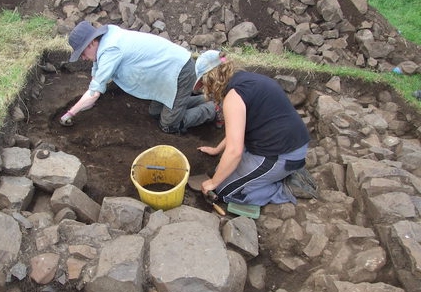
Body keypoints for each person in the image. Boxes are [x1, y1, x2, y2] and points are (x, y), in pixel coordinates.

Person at [194, 50, 318, 206]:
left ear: (210, 79)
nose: (206, 91)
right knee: (224, 168)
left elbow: (234, 151)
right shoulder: (245, 81)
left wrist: (213, 183)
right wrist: (217, 150)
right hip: (284, 142)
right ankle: (277, 173)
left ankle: (287, 188)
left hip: (281, 153)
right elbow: (238, 131)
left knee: (225, 190)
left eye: (204, 85)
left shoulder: (234, 97)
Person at [60, 21, 217, 134]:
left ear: (92, 43)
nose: (83, 58)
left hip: (179, 72)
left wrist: (70, 113)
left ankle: (213, 109)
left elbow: (94, 92)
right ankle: (204, 99)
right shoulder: (106, 40)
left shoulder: (110, 50)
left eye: (82, 54)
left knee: (169, 125)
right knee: (155, 112)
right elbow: (96, 77)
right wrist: (85, 103)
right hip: (165, 75)